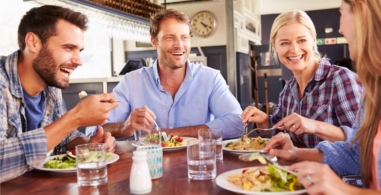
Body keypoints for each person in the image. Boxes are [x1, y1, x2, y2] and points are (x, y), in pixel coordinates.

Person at [264, 0, 381, 193]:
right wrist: (296, 153)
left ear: (362, 11)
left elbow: (353, 142)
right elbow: (357, 154)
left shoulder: (343, 78)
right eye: (285, 43)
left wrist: (345, 190)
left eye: (341, 13)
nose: (339, 29)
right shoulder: (375, 86)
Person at [0, 5, 118, 183]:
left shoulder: (50, 85)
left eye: (80, 51)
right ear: (33, 42)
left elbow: (64, 137)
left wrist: (89, 144)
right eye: (69, 48)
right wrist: (75, 118)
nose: (78, 61)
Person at [101, 9, 244, 139]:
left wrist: (167, 134)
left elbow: (236, 123)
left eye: (184, 37)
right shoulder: (132, 82)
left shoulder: (210, 79)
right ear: (154, 42)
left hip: (197, 163)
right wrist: (123, 126)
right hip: (149, 164)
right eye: (170, 38)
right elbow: (97, 129)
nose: (179, 45)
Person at [241, 10, 362, 148]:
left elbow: (361, 139)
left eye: (302, 40)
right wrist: (263, 120)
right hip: (293, 167)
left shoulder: (340, 79)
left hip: (332, 169)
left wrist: (316, 126)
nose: (294, 49)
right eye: (285, 43)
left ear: (313, 40)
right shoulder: (288, 89)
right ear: (274, 46)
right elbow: (276, 130)